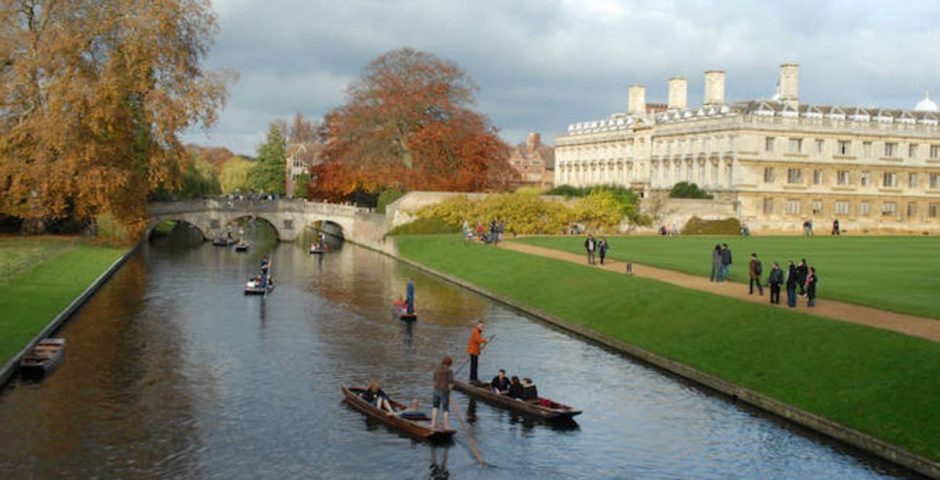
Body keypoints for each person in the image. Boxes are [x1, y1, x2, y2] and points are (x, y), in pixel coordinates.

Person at [431, 356, 454, 431]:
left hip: (436, 389)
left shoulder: (437, 369)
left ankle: (433, 424)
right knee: (445, 408)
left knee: (435, 406)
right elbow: (450, 383)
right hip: (444, 391)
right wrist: (450, 391)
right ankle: (446, 426)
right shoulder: (449, 371)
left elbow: (434, 379)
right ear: (449, 364)